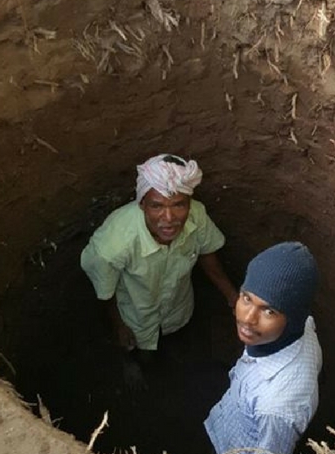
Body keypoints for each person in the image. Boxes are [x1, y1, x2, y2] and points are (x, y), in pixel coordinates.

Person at [80, 154, 238, 388]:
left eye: (178, 205)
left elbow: (207, 254)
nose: (169, 218)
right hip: (136, 316)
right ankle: (134, 367)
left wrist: (233, 298)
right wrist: (119, 326)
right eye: (157, 206)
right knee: (141, 352)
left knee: (178, 336)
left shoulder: (197, 216)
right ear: (142, 204)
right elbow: (105, 290)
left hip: (178, 306)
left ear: (188, 203)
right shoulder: (114, 244)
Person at [205, 241, 323, 454]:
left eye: (269, 311)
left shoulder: (277, 405)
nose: (248, 318)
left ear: (293, 318)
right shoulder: (300, 328)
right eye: (246, 298)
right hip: (230, 421)